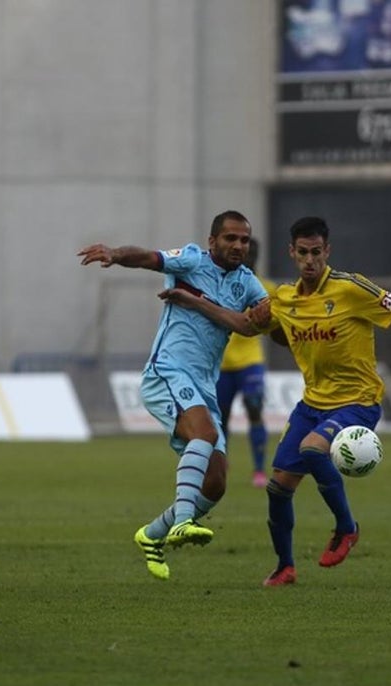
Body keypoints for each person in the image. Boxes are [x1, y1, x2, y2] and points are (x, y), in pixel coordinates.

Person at [163, 216, 391, 587]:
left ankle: (346, 527)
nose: (310, 260)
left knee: (312, 449)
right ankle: (285, 567)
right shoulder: (284, 299)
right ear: (292, 252)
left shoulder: (351, 288)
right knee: (277, 489)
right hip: (312, 405)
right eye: (302, 253)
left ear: (327, 251)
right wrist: (195, 302)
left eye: (316, 252)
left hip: (358, 401)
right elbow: (243, 325)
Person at [78, 210, 269, 581]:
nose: (238, 245)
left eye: (244, 240)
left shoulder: (247, 283)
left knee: (215, 483)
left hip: (203, 384)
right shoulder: (193, 259)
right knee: (206, 435)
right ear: (213, 241)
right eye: (230, 238)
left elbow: (250, 325)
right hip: (167, 371)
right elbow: (150, 258)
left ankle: (152, 535)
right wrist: (116, 254)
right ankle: (182, 521)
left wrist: (201, 304)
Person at [216, 239, 274, 489]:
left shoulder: (267, 288)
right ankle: (221, 463)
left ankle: (259, 469)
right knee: (221, 417)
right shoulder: (220, 284)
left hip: (251, 362)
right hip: (221, 363)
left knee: (254, 407)